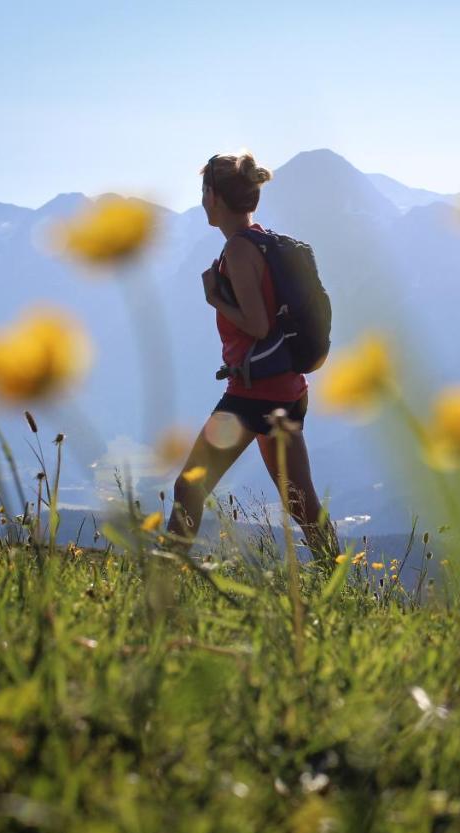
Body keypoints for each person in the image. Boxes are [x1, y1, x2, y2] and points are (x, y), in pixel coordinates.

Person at [167, 150, 337, 564]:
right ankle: (342, 582)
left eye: (204, 192)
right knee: (302, 503)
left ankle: (162, 582)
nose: (202, 200)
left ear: (216, 197)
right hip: (287, 389)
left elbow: (258, 325)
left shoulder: (240, 251)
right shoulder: (261, 240)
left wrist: (214, 299)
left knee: (189, 486)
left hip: (253, 396)